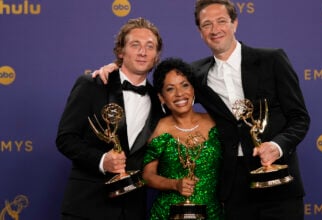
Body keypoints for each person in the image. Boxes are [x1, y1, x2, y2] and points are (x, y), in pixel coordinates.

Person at [93, 0, 310, 219]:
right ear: (200, 32)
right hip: (234, 188)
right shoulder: (196, 74)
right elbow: (169, 90)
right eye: (207, 24)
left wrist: (277, 146)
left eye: (222, 21)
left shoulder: (271, 60)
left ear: (235, 23)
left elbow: (300, 118)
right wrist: (117, 70)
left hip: (278, 179)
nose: (215, 30)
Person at [56, 17, 163, 220]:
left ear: (156, 56)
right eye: (135, 45)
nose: (143, 52)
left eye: (150, 46)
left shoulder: (160, 102)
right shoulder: (92, 84)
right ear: (121, 51)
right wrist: (102, 160)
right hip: (87, 207)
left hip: (132, 211)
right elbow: (65, 139)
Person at [142, 57, 223, 219]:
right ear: (161, 97)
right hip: (168, 213)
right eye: (170, 89)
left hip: (212, 213)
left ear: (193, 89)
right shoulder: (157, 129)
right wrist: (174, 184)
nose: (180, 94)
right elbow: (147, 176)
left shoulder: (215, 122)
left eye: (185, 85)